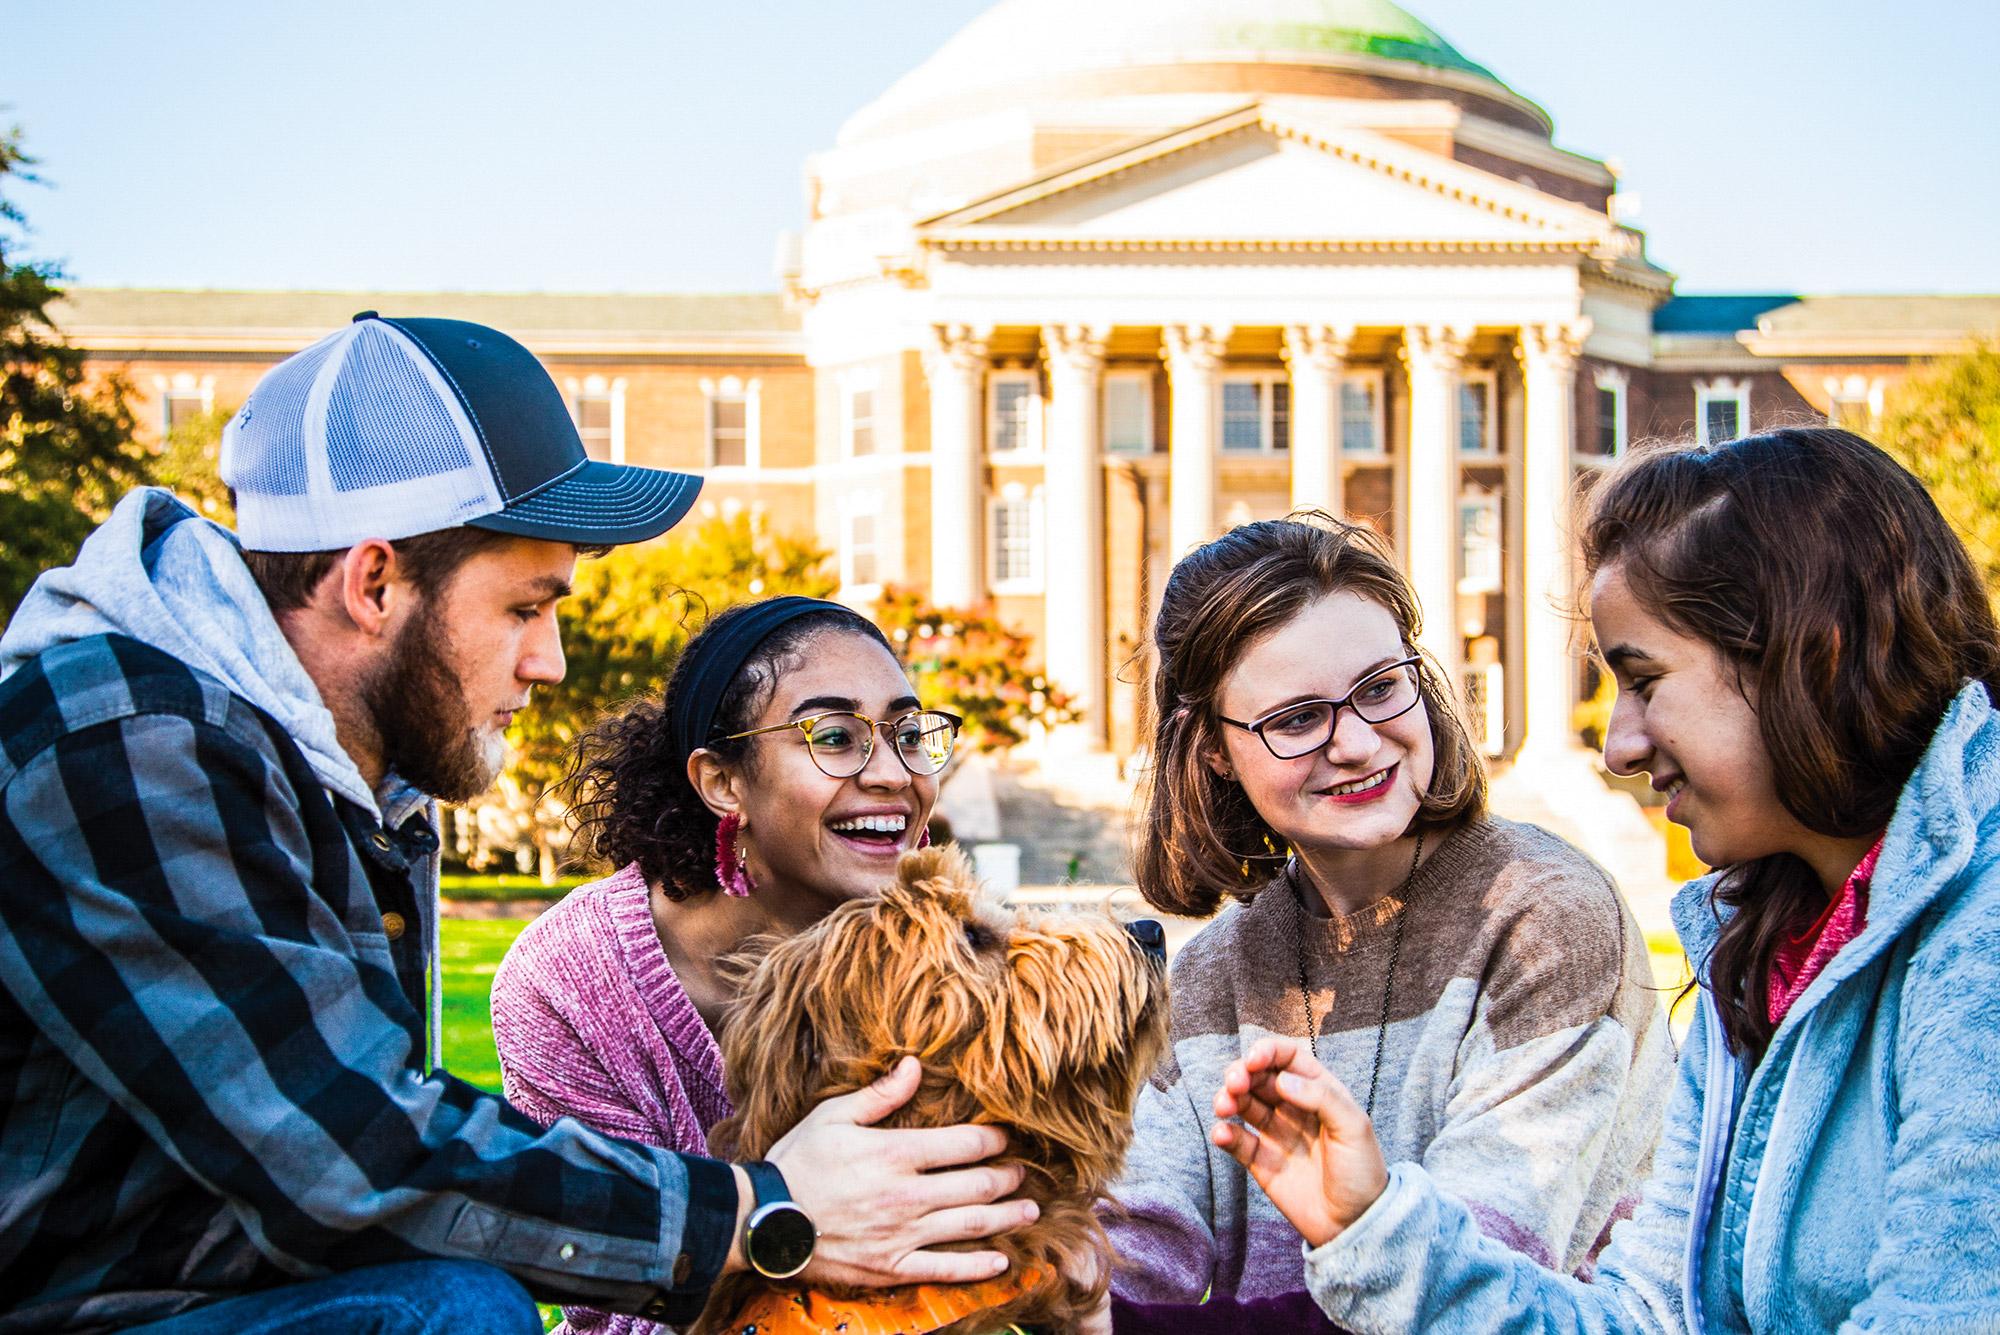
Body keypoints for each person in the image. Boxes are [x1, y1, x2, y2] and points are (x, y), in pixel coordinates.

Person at [0, 316, 1027, 1333]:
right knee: (452, 1316)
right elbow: (349, 1159)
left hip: (227, 1294)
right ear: (373, 583)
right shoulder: (123, 740)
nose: (551, 663)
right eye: (524, 608)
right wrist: (765, 1211)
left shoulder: (329, 775)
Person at [1211, 427, 2000, 1331]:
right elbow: (1652, 1317)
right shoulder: (1759, 952)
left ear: (1806, 653)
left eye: (1646, 680)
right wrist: (1373, 1225)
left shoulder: (1981, 931)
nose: (1619, 743)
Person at [1106, 515, 1673, 1328]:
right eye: (1298, 718)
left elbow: (1466, 1285)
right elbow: (1126, 1258)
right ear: (1213, 750)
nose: (1360, 742)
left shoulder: (1545, 916)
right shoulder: (1213, 973)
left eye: (1380, 688)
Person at [492, 593, 960, 1332]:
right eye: (835, 736)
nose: (894, 773)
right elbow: (613, 1290)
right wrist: (783, 1209)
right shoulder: (569, 984)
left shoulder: (941, 952)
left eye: (908, 733)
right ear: (722, 781)